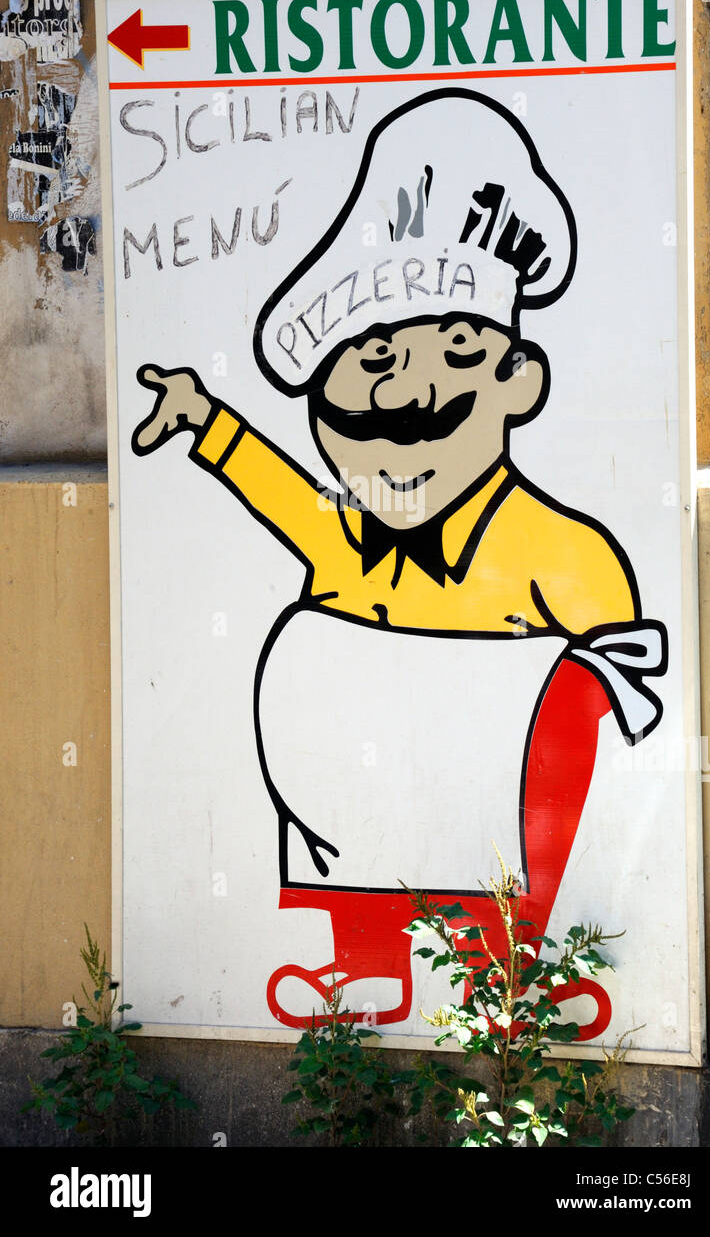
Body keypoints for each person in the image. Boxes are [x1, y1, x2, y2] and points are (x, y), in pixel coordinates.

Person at [133, 90, 667, 1037]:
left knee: (530, 740)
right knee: (316, 671)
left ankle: (507, 970)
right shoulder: (342, 530)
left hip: (490, 801)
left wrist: (574, 678)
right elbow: (278, 489)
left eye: (457, 348)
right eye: (370, 355)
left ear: (517, 381)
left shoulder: (561, 548)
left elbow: (616, 675)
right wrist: (205, 420)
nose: (406, 387)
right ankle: (369, 965)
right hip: (352, 781)